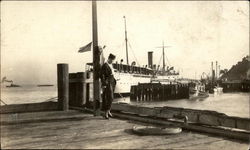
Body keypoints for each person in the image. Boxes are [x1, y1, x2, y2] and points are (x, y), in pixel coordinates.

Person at [100, 53, 116, 119]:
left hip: (112, 82)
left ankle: (108, 111)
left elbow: (112, 73)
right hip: (108, 82)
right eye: (112, 60)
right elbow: (102, 75)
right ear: (109, 58)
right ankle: (106, 112)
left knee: (111, 97)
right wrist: (104, 84)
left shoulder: (110, 65)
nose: (113, 61)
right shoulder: (105, 65)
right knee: (110, 97)